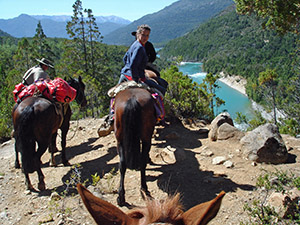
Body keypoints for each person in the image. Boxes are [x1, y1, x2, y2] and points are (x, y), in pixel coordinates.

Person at [119, 24, 166, 95]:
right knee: (162, 90)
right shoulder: (139, 47)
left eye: (147, 35)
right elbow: (133, 64)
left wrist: (127, 68)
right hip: (133, 76)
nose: (145, 37)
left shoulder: (134, 44)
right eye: (143, 35)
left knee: (114, 94)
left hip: (124, 74)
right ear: (138, 34)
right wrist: (137, 79)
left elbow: (125, 58)